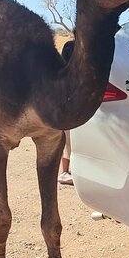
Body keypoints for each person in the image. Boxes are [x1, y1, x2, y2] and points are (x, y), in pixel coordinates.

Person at [58, 37, 75, 185]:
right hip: (71, 97)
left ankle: (66, 172)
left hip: (67, 96)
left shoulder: (70, 46)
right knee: (69, 136)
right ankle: (65, 172)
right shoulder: (72, 46)